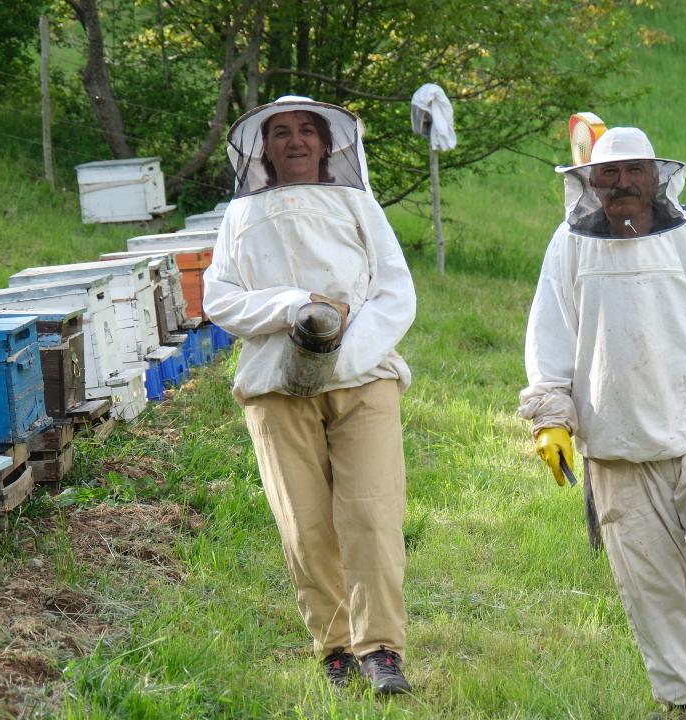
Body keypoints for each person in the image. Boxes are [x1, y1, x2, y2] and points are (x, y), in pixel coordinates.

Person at [518, 127, 686, 720]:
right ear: (590, 182)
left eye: (633, 172)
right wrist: (551, 418)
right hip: (617, 444)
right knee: (648, 584)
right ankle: (684, 703)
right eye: (609, 175)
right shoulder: (568, 246)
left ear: (655, 177)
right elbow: (550, 341)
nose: (621, 184)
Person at [204, 96, 417, 695]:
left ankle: (381, 650)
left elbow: (394, 291)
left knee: (373, 514)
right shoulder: (239, 215)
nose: (294, 141)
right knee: (304, 523)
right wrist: (291, 307)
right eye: (280, 133)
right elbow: (217, 300)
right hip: (275, 383)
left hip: (364, 377)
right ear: (263, 148)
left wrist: (344, 355)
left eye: (306, 131)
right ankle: (336, 645)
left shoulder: (358, 203)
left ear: (327, 145)